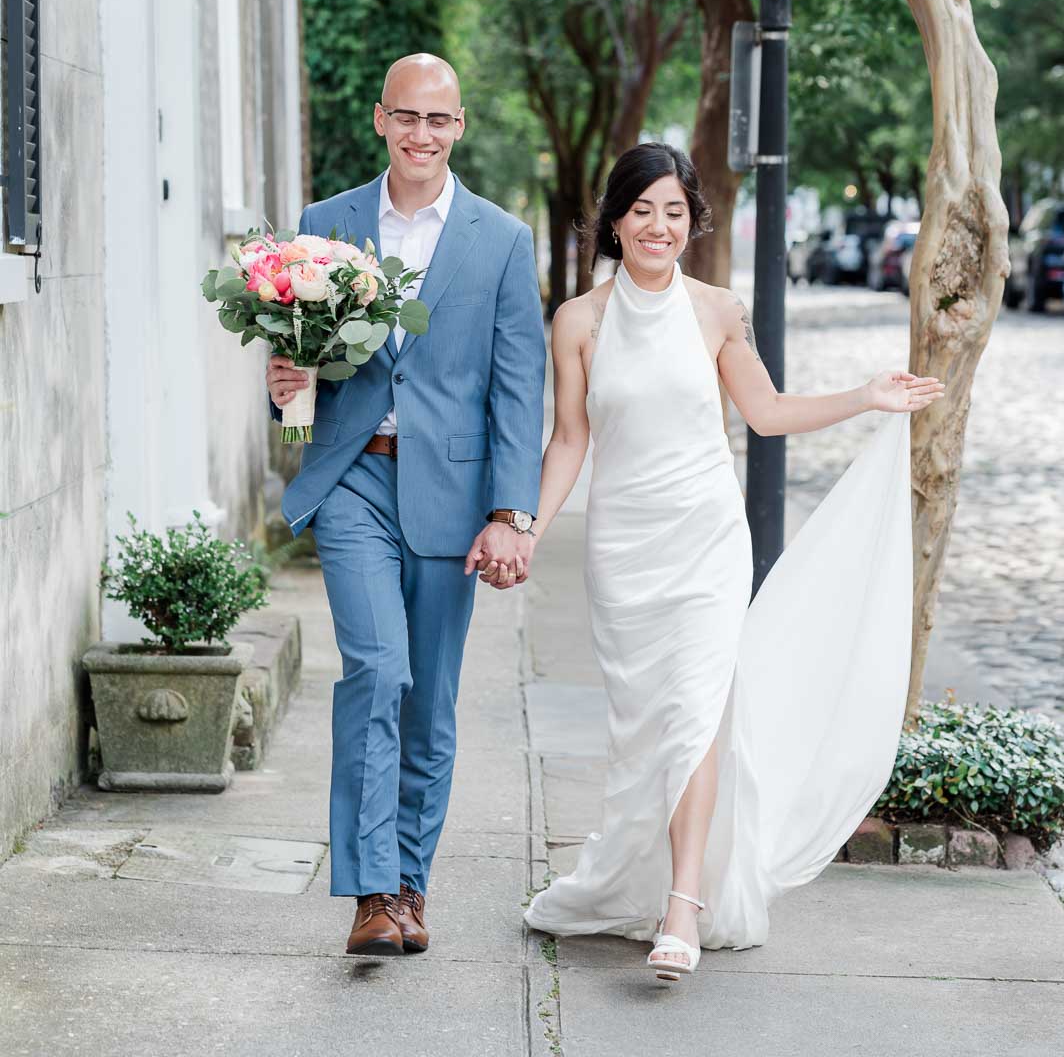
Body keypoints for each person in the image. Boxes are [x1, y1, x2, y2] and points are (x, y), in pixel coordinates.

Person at [522, 142, 943, 983]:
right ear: (615, 219)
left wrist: (868, 396)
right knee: (646, 730)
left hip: (707, 541)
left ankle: (683, 907)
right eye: (642, 209)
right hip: (625, 550)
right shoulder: (579, 321)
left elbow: (767, 411)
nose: (658, 226)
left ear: (692, 222)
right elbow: (571, 439)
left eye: (674, 211)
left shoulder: (716, 310)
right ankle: (638, 879)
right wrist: (529, 528)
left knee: (698, 715)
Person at [267, 54, 545, 957]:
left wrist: (511, 511)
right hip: (352, 476)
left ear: (459, 127)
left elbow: (517, 388)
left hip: (451, 492)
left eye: (440, 120)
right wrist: (288, 388)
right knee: (377, 672)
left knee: (430, 702)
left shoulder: (501, 239)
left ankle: (411, 882)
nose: (422, 134)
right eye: (407, 117)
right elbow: (300, 371)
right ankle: (369, 892)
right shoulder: (324, 226)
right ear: (381, 119)